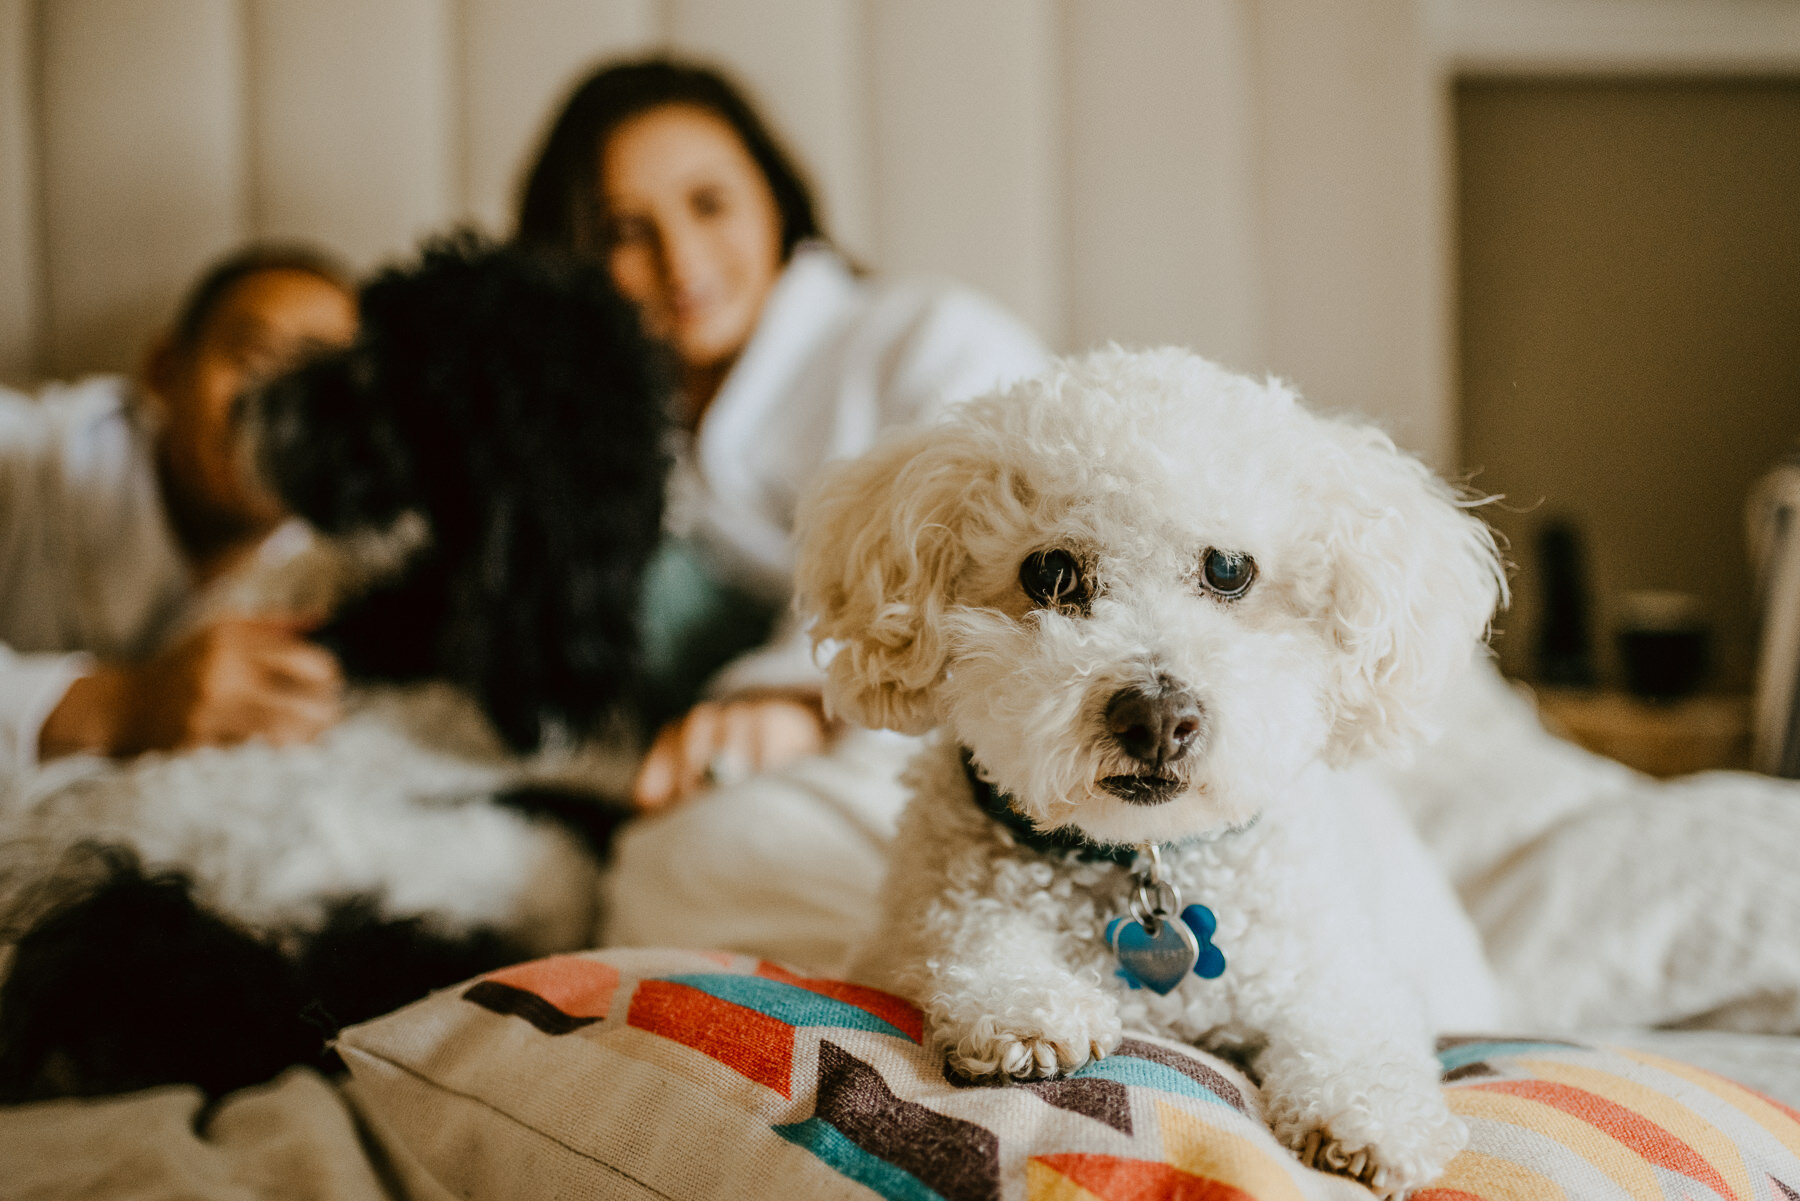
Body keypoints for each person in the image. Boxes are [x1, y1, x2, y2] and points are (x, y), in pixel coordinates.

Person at [517, 58, 1049, 811]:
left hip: (947, 754)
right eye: (625, 231)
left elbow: (993, 573)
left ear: (776, 198)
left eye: (709, 203)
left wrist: (793, 699)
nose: (681, 260)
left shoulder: (929, 340)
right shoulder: (595, 444)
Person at [0, 246, 359, 776]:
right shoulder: (24, 455)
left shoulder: (354, 554)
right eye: (255, 358)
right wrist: (125, 707)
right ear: (165, 371)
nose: (284, 409)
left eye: (327, 385)